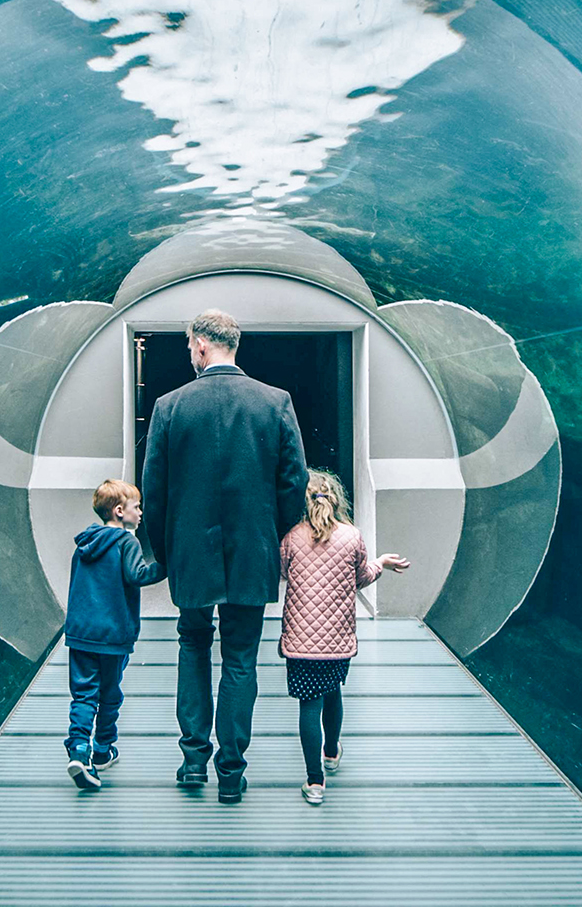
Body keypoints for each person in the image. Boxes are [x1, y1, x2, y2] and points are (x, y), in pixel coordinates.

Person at [142, 309, 309, 804]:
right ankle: (231, 772)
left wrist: (166, 552)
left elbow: (154, 490)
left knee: (193, 645)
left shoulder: (170, 406)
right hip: (251, 553)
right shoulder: (275, 402)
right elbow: (293, 483)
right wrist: (270, 537)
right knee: (240, 659)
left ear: (198, 345)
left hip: (191, 554)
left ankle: (194, 761)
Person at [279, 469, 410, 805]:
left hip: (300, 642)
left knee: (309, 705)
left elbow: (281, 573)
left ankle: (315, 782)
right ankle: (332, 752)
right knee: (332, 691)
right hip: (337, 641)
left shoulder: (292, 537)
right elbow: (361, 578)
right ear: (336, 499)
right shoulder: (352, 536)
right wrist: (380, 563)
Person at [62, 478, 165, 790]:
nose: (141, 513)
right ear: (120, 511)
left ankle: (79, 749)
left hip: (81, 634)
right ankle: (103, 750)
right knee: (109, 694)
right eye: (137, 507)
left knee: (83, 693)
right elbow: (138, 576)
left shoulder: (84, 544)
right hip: (112, 637)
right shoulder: (126, 542)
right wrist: (168, 564)